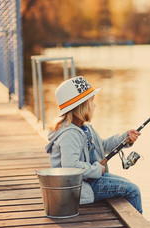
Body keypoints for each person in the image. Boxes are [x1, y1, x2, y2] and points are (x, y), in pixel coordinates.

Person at [45, 76, 142, 213]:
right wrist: (97, 169)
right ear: (81, 106)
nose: (95, 105)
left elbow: (103, 145)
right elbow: (71, 167)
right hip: (78, 188)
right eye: (92, 101)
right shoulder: (69, 135)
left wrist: (125, 138)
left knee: (131, 185)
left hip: (90, 180)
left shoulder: (85, 128)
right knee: (133, 190)